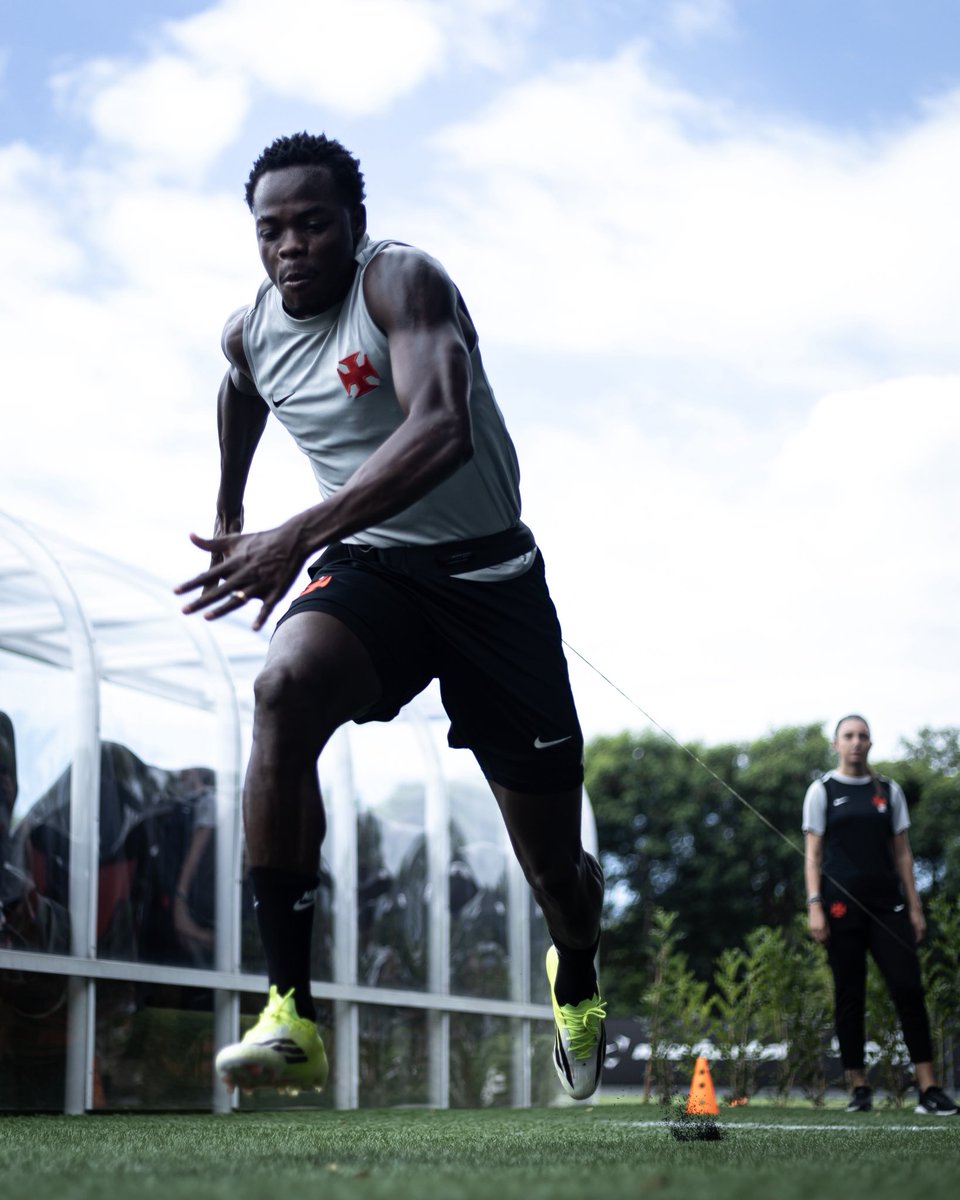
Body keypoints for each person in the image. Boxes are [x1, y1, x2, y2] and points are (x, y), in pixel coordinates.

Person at [175, 132, 605, 1101]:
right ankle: (290, 1010)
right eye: (272, 230)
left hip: (493, 581)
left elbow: (442, 429)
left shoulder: (402, 285)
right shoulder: (249, 332)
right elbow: (241, 390)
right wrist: (230, 509)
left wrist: (294, 533)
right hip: (376, 567)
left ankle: (576, 969)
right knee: (282, 689)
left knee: (556, 875)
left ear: (355, 224)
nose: (292, 245)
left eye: (313, 224)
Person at [803, 714, 957, 1116]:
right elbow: (813, 854)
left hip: (889, 907)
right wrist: (815, 905)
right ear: (836, 744)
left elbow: (903, 853)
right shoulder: (822, 790)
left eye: (863, 736)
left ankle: (929, 1088)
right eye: (848, 735)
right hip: (839, 908)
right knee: (849, 994)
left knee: (908, 988)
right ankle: (859, 1087)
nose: (856, 742)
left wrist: (915, 907)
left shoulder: (888, 791)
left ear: (870, 743)